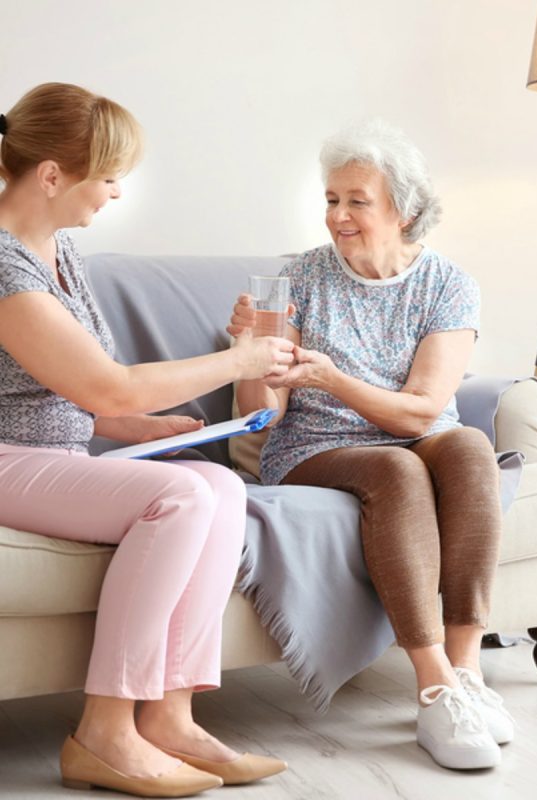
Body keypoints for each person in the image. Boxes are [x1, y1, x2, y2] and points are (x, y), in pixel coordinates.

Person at [0, 83, 294, 797]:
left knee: (220, 485)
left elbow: (74, 394)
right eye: (108, 177)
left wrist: (141, 428)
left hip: (45, 456)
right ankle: (103, 732)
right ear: (51, 176)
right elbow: (107, 385)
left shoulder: (60, 256)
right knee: (179, 499)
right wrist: (241, 360)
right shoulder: (5, 269)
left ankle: (170, 716)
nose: (117, 194)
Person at [229, 119, 514, 771]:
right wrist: (247, 361)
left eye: (357, 200)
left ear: (404, 209)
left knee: (468, 446)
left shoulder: (447, 285)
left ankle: (466, 675)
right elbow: (265, 418)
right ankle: (434, 684)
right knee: (397, 470)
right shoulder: (297, 281)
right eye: (332, 199)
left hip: (413, 434)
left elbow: (423, 411)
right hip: (314, 448)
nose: (339, 215)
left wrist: (332, 374)